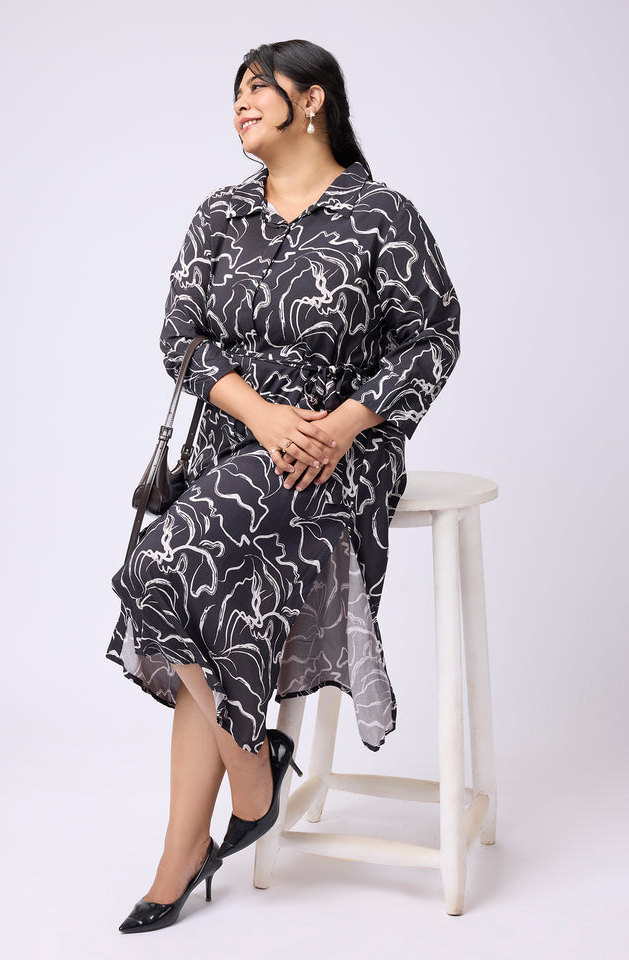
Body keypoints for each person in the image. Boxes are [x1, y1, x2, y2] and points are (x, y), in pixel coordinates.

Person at [107, 38, 461, 933]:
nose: (239, 103)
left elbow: (433, 336)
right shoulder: (222, 214)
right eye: (234, 91)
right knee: (173, 581)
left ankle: (223, 811)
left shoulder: (380, 214)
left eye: (257, 88)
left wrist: (344, 422)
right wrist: (259, 415)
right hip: (239, 444)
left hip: (335, 454)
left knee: (165, 569)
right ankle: (232, 793)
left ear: (313, 100)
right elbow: (181, 338)